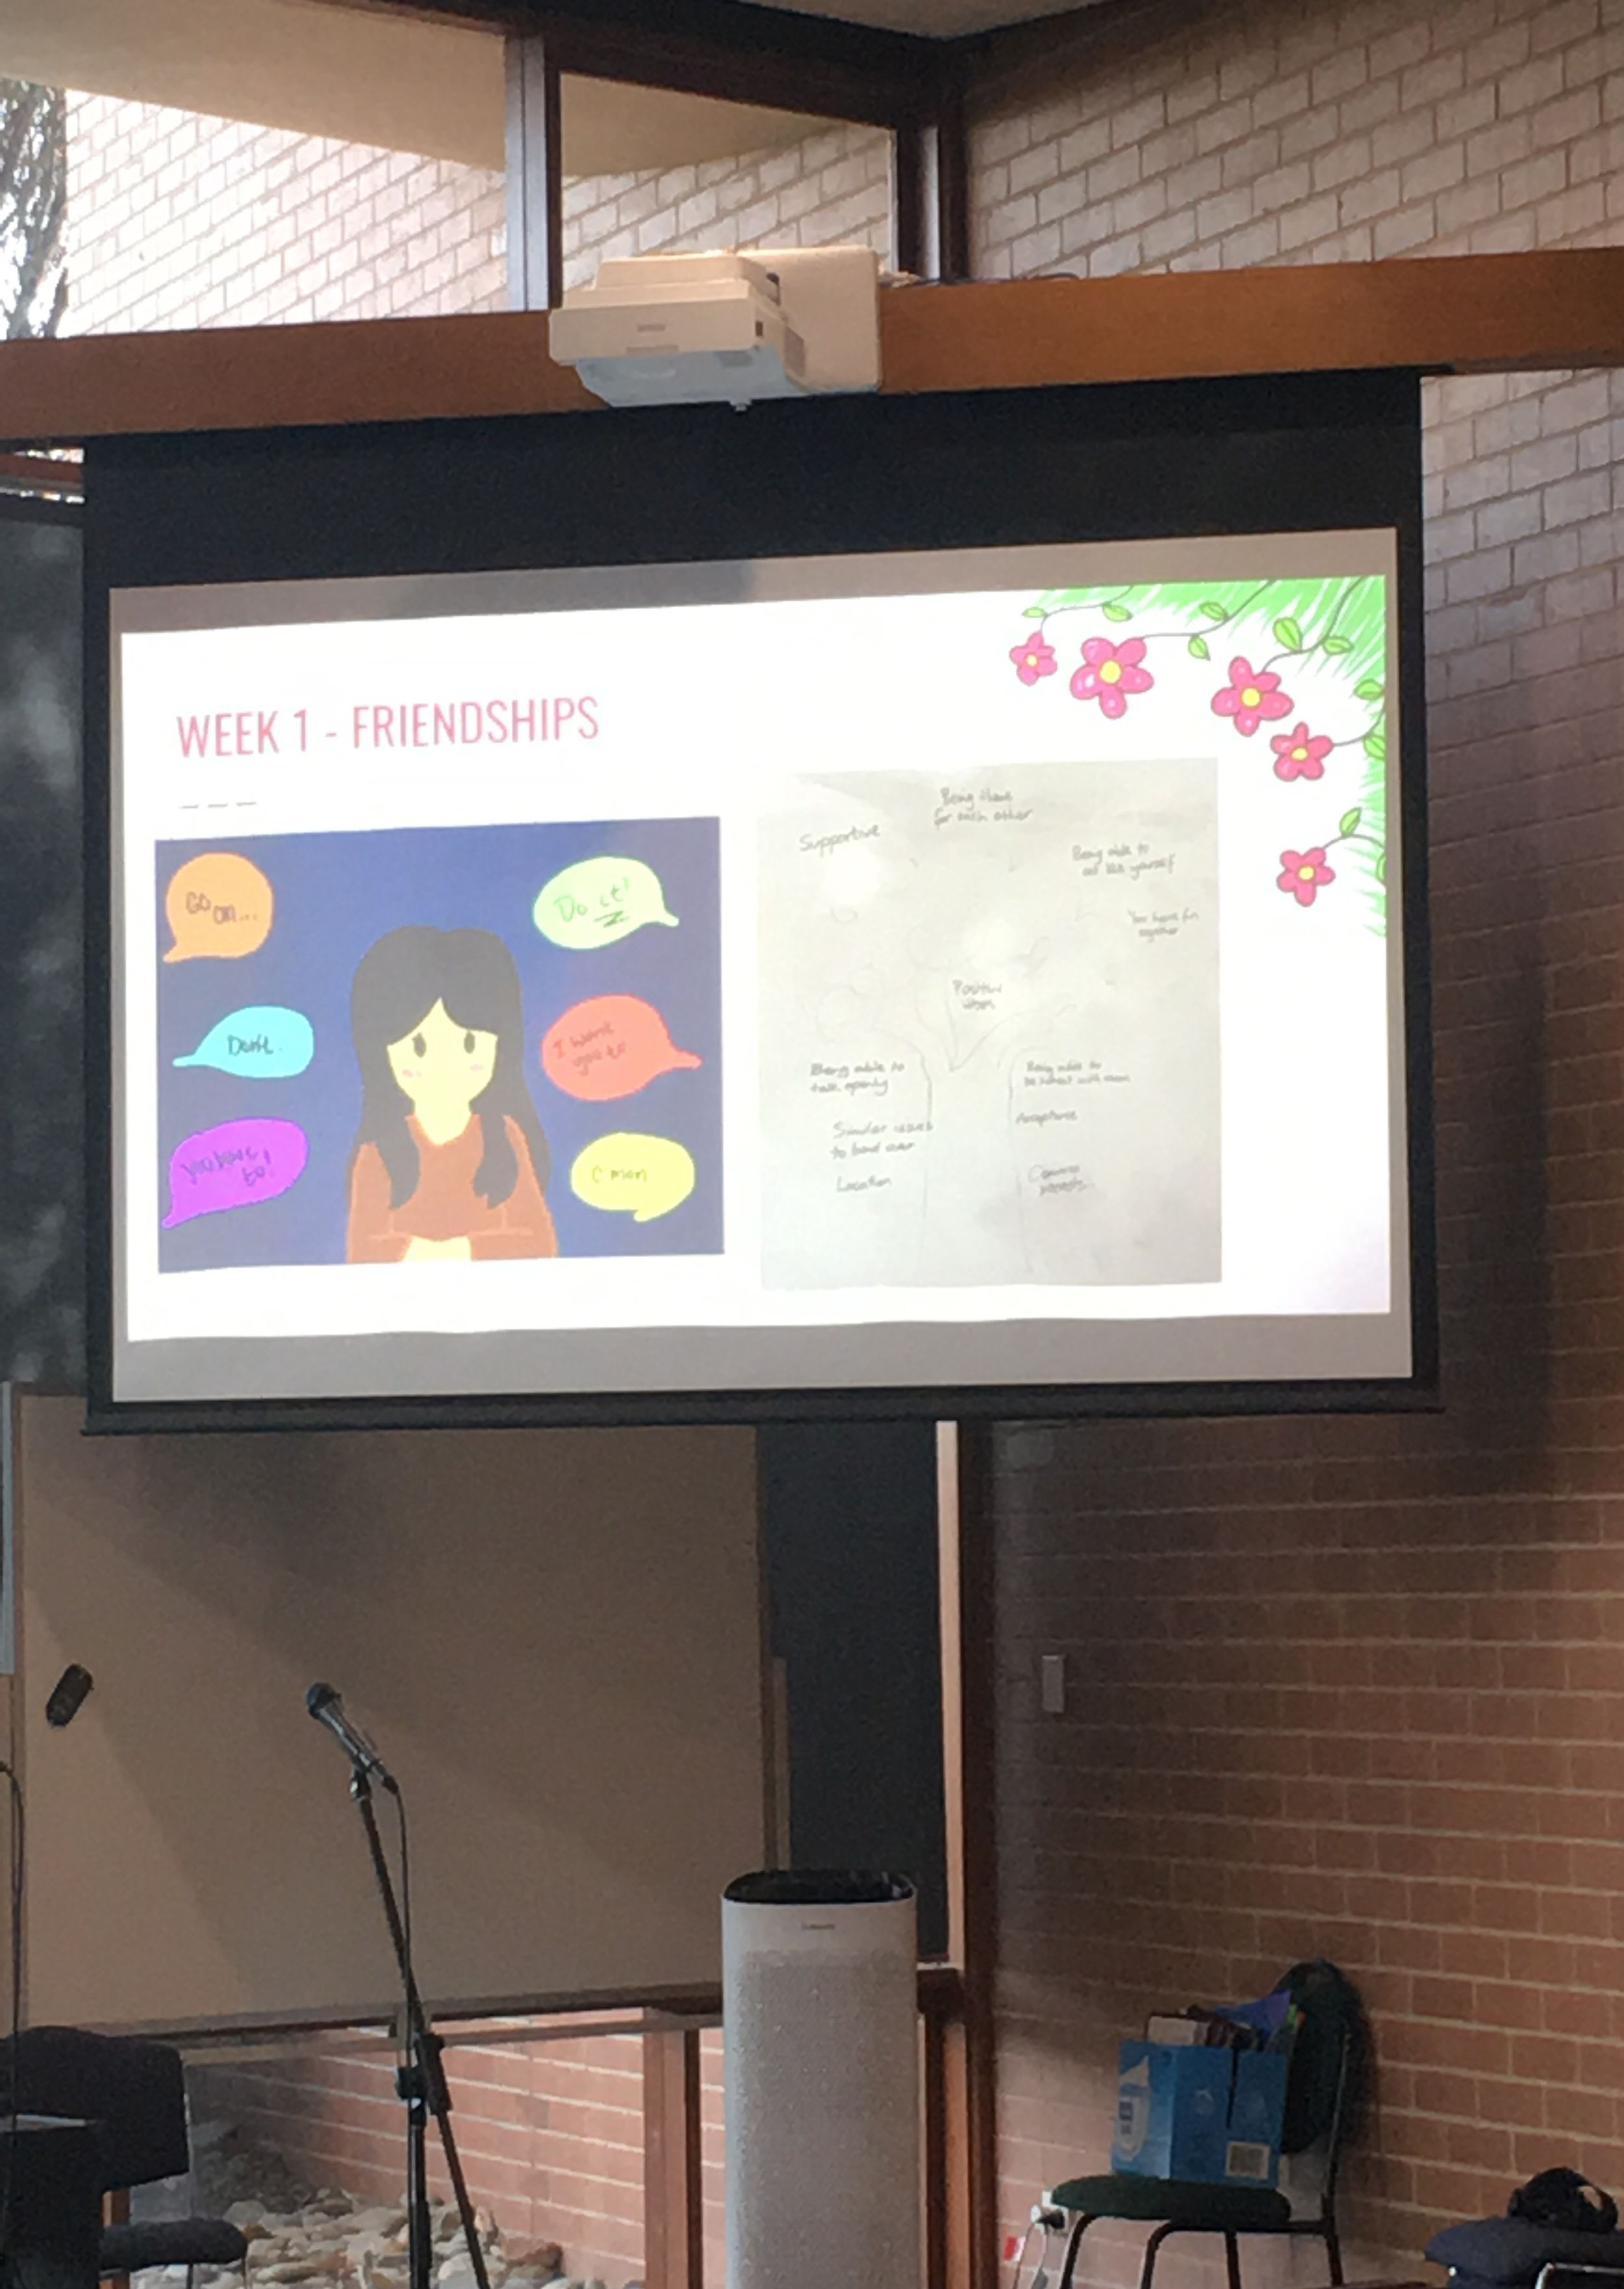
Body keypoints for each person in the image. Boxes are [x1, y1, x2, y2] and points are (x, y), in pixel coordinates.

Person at [346, 925, 557, 1263]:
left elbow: (539, 1243)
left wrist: (455, 1251)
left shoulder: (506, 1138)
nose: (444, 1064)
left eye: (470, 1043)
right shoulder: (378, 1153)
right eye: (418, 1046)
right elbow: (363, 1253)